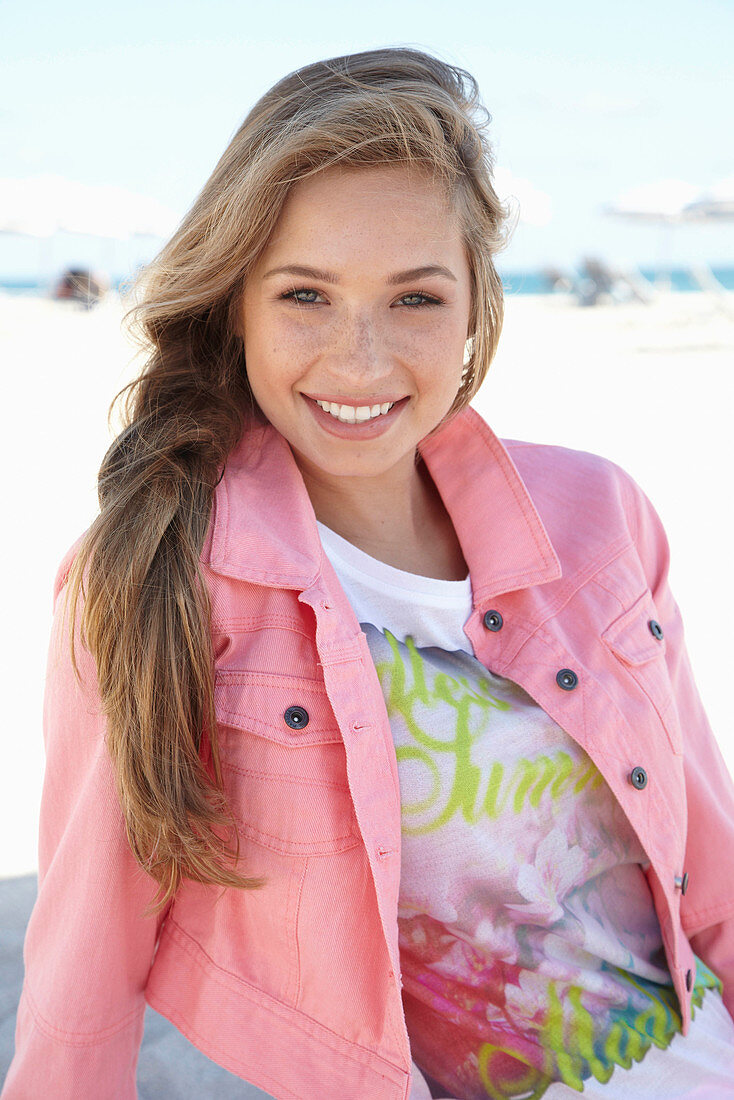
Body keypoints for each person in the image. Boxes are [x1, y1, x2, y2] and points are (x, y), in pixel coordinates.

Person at [3, 47, 734, 1100]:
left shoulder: (599, 514)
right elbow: (84, 963)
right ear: (235, 306)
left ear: (476, 302)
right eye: (305, 295)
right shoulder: (153, 570)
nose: (360, 362)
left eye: (414, 300)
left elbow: (703, 850)